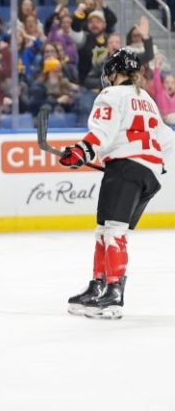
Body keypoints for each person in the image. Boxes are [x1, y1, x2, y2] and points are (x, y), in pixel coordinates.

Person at [61, 49, 174, 320]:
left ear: (115, 72)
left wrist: (81, 151)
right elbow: (168, 139)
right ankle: (98, 286)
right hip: (147, 174)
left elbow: (102, 132)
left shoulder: (111, 95)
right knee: (105, 230)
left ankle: (113, 294)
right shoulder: (146, 99)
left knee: (112, 231)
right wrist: (154, 164)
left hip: (125, 169)